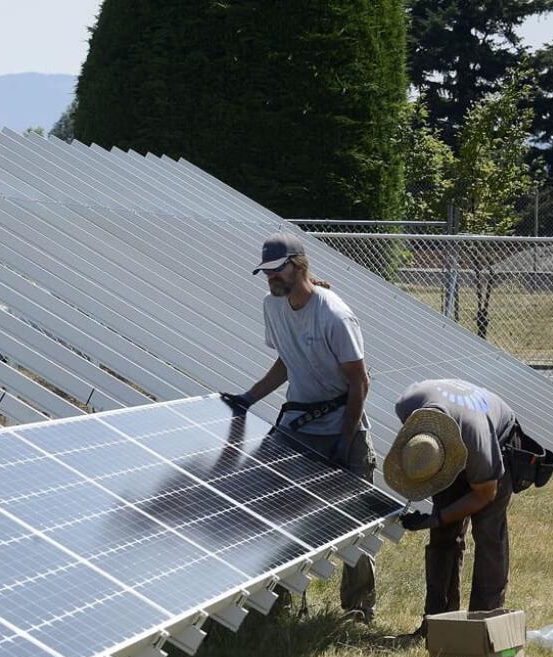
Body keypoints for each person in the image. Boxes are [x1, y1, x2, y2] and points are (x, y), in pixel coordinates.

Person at [220, 231, 375, 622]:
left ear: (298, 265)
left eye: (277, 271)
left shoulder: (334, 314)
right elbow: (286, 362)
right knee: (283, 514)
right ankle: (286, 604)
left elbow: (359, 382)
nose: (271, 278)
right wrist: (249, 398)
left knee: (355, 523)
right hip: (299, 426)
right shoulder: (272, 307)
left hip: (344, 428)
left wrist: (345, 439)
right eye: (266, 272)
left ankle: (358, 608)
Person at [387, 380, 519, 635]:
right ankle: (437, 625)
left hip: (498, 449)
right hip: (455, 440)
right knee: (443, 537)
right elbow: (424, 453)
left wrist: (435, 518)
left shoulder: (478, 440)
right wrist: (440, 520)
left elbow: (485, 495)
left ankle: (483, 626)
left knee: (489, 536)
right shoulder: (407, 406)